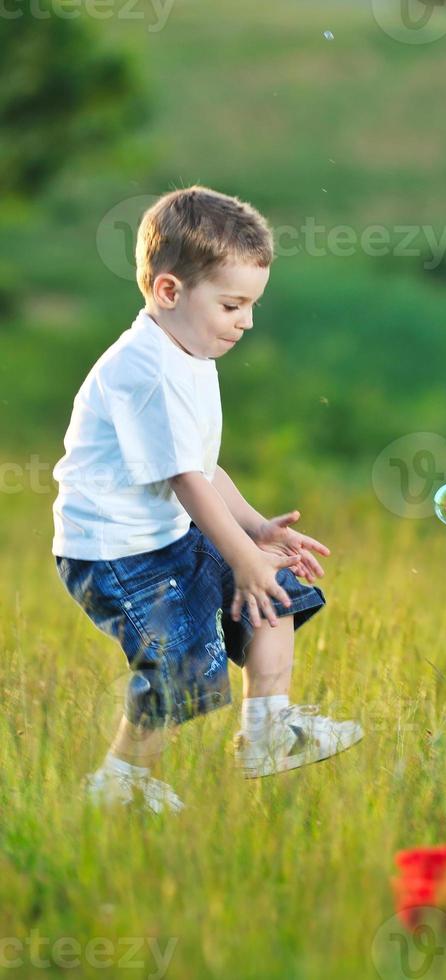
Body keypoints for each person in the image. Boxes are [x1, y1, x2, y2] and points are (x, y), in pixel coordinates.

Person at [52, 185, 363, 813]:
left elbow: (200, 464)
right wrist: (241, 557)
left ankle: (268, 731)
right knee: (181, 665)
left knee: (277, 595)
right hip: (116, 554)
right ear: (169, 291)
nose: (246, 321)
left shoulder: (189, 349)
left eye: (250, 304)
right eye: (232, 304)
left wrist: (255, 531)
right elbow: (186, 482)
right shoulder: (146, 368)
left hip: (167, 533)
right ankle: (121, 782)